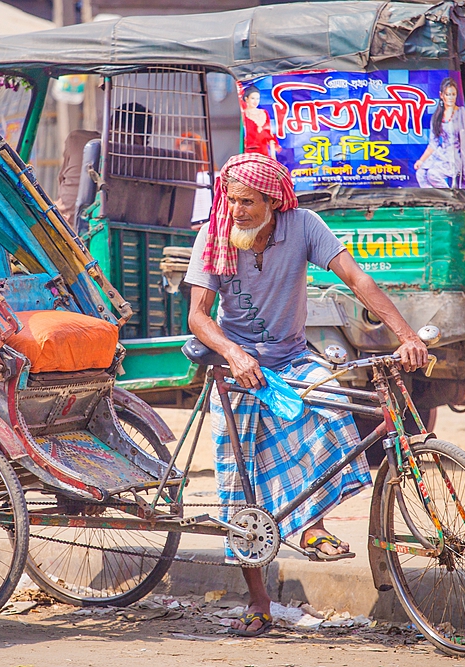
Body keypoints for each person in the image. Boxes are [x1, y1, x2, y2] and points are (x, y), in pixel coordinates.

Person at [184, 152, 428, 637]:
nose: (236, 210)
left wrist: (407, 335)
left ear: (274, 202)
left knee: (336, 414)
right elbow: (198, 318)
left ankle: (310, 522)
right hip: (237, 365)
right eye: (231, 200)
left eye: (247, 202)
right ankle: (259, 603)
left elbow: (357, 279)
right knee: (241, 485)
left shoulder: (305, 225)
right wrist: (234, 354)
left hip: (293, 355)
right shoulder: (215, 233)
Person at [54, 103, 153, 230]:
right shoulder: (146, 159)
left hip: (64, 225)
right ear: (145, 138)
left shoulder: (77, 139)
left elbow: (62, 180)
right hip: (110, 230)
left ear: (110, 123)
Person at [414, 77, 465, 189]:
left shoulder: (461, 113)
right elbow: (433, 143)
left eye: (453, 94)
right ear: (441, 95)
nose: (450, 98)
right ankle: (435, 198)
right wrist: (421, 160)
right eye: (448, 94)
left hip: (456, 155)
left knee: (432, 174)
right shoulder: (437, 116)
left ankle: (449, 197)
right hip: (441, 153)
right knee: (420, 174)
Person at [241, 86, 279, 159]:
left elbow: (270, 136)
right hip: (250, 154)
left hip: (264, 153)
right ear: (246, 99)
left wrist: (273, 156)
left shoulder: (264, 113)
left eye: (257, 98)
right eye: (253, 98)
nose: (256, 101)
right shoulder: (243, 115)